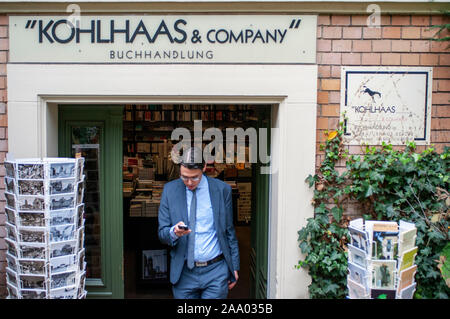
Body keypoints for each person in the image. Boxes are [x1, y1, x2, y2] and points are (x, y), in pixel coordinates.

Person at [158, 146, 240, 299]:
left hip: (216, 271)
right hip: (183, 273)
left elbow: (229, 231)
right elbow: (162, 233)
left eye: (194, 177)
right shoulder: (169, 191)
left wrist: (234, 266)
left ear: (204, 167)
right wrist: (173, 233)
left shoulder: (222, 190)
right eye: (184, 177)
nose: (189, 182)